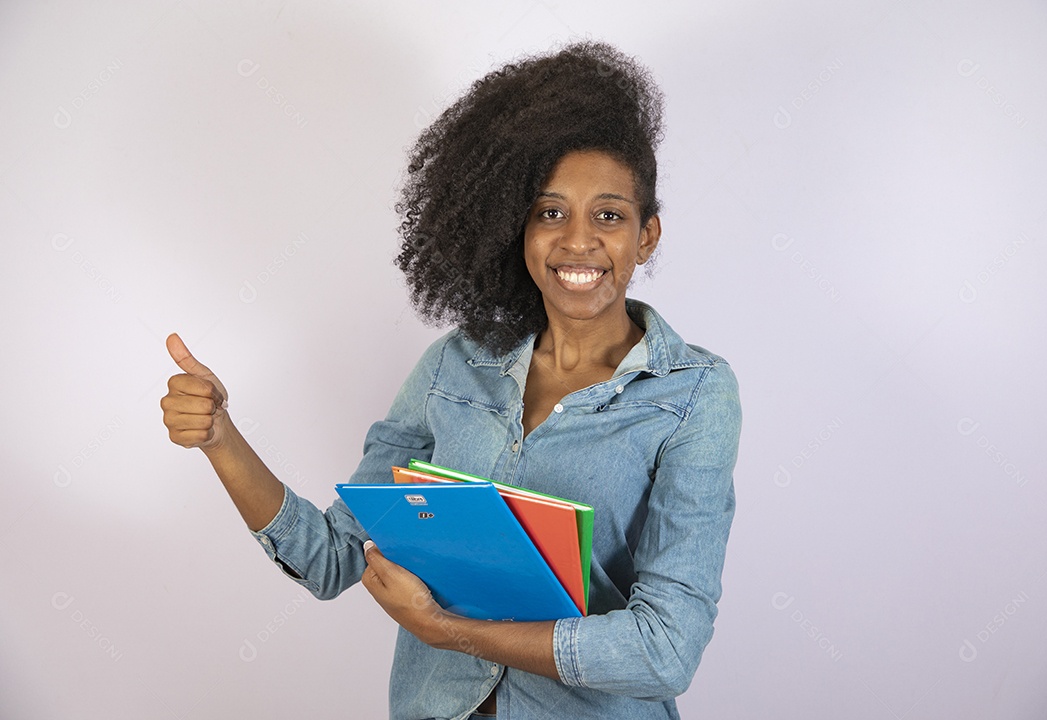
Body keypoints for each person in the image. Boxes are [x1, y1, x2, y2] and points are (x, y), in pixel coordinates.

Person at [161, 41, 741, 720]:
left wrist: (450, 631)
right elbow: (331, 558)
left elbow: (666, 650)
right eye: (550, 212)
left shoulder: (693, 394)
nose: (577, 240)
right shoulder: (454, 366)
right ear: (517, 228)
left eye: (608, 215)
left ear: (646, 235)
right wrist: (221, 438)